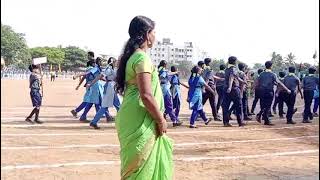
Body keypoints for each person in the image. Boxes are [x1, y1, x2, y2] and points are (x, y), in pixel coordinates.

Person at [115, 16, 173, 179]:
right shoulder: (142, 58)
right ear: (147, 34)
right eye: (154, 32)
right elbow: (146, 95)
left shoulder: (131, 56)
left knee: (135, 166)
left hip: (132, 115)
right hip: (141, 116)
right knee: (141, 167)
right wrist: (161, 119)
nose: (155, 36)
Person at [87, 57, 120, 129]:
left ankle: (94, 122)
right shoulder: (109, 69)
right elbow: (100, 76)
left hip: (111, 87)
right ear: (113, 62)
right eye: (116, 61)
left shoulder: (113, 69)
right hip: (110, 88)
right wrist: (91, 84)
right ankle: (123, 123)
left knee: (110, 106)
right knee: (115, 106)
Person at [256, 61, 291, 125]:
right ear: (271, 66)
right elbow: (279, 83)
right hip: (269, 91)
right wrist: (287, 89)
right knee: (268, 106)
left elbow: (257, 83)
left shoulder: (261, 74)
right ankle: (264, 118)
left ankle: (262, 116)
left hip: (262, 91)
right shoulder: (273, 74)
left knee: (264, 105)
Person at [222, 56, 246, 127]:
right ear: (234, 61)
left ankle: (226, 122)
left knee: (225, 106)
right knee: (239, 105)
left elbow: (236, 77)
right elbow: (232, 77)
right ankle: (240, 122)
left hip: (225, 89)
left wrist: (243, 81)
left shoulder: (226, 69)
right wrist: (230, 87)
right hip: (234, 89)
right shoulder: (234, 68)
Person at [158, 60, 182, 127]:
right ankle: (174, 121)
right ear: (165, 65)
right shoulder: (163, 70)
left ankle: (164, 117)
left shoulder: (159, 70)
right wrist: (175, 72)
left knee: (163, 106)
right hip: (165, 89)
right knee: (169, 106)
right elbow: (164, 75)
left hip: (161, 89)